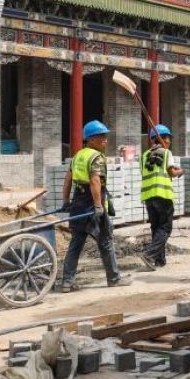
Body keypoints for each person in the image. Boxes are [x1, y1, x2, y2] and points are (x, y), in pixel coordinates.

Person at [60, 120, 131, 292]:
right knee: (105, 241)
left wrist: (66, 201)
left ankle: (67, 282)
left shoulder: (78, 155)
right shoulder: (96, 157)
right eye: (102, 137)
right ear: (91, 139)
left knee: (76, 244)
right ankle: (114, 278)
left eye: (105, 136)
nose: (105, 140)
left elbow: (68, 179)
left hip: (78, 200)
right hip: (91, 202)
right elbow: (95, 181)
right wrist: (98, 206)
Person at [139, 124, 182, 270]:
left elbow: (145, 173)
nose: (169, 141)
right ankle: (149, 254)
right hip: (163, 194)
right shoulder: (166, 152)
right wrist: (179, 171)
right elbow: (171, 172)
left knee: (156, 227)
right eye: (168, 138)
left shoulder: (144, 156)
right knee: (165, 228)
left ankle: (159, 260)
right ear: (163, 138)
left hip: (148, 195)